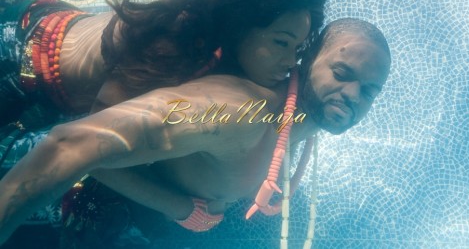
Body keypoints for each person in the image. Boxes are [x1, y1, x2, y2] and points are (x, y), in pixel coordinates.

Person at [0, 17, 391, 244]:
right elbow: (72, 144)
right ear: (305, 61)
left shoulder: (304, 125)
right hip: (64, 188)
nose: (353, 95)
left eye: (369, 91)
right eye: (342, 73)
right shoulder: (238, 111)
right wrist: (182, 209)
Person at [0, 0, 326, 131]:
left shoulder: (219, 44)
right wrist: (186, 209)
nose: (290, 63)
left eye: (297, 49)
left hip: (55, 27)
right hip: (23, 60)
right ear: (242, 26)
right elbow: (94, 134)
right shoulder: (178, 41)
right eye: (282, 43)